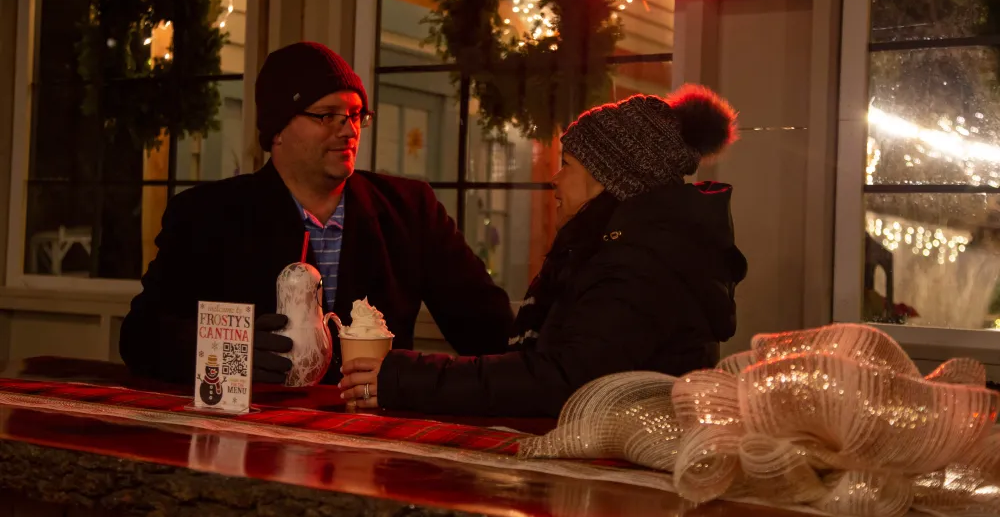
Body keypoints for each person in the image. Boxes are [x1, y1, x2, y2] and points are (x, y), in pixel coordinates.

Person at [339, 85, 748, 417]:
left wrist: (405, 377)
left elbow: (562, 380)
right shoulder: (617, 250)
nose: (555, 178)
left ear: (611, 179)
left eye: (567, 164)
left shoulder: (641, 264)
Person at [119, 42, 514, 385]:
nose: (348, 130)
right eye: (327, 115)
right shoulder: (207, 215)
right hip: (254, 437)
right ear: (277, 130)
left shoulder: (410, 210)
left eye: (356, 115)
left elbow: (490, 331)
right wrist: (230, 351)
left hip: (370, 438)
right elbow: (141, 336)